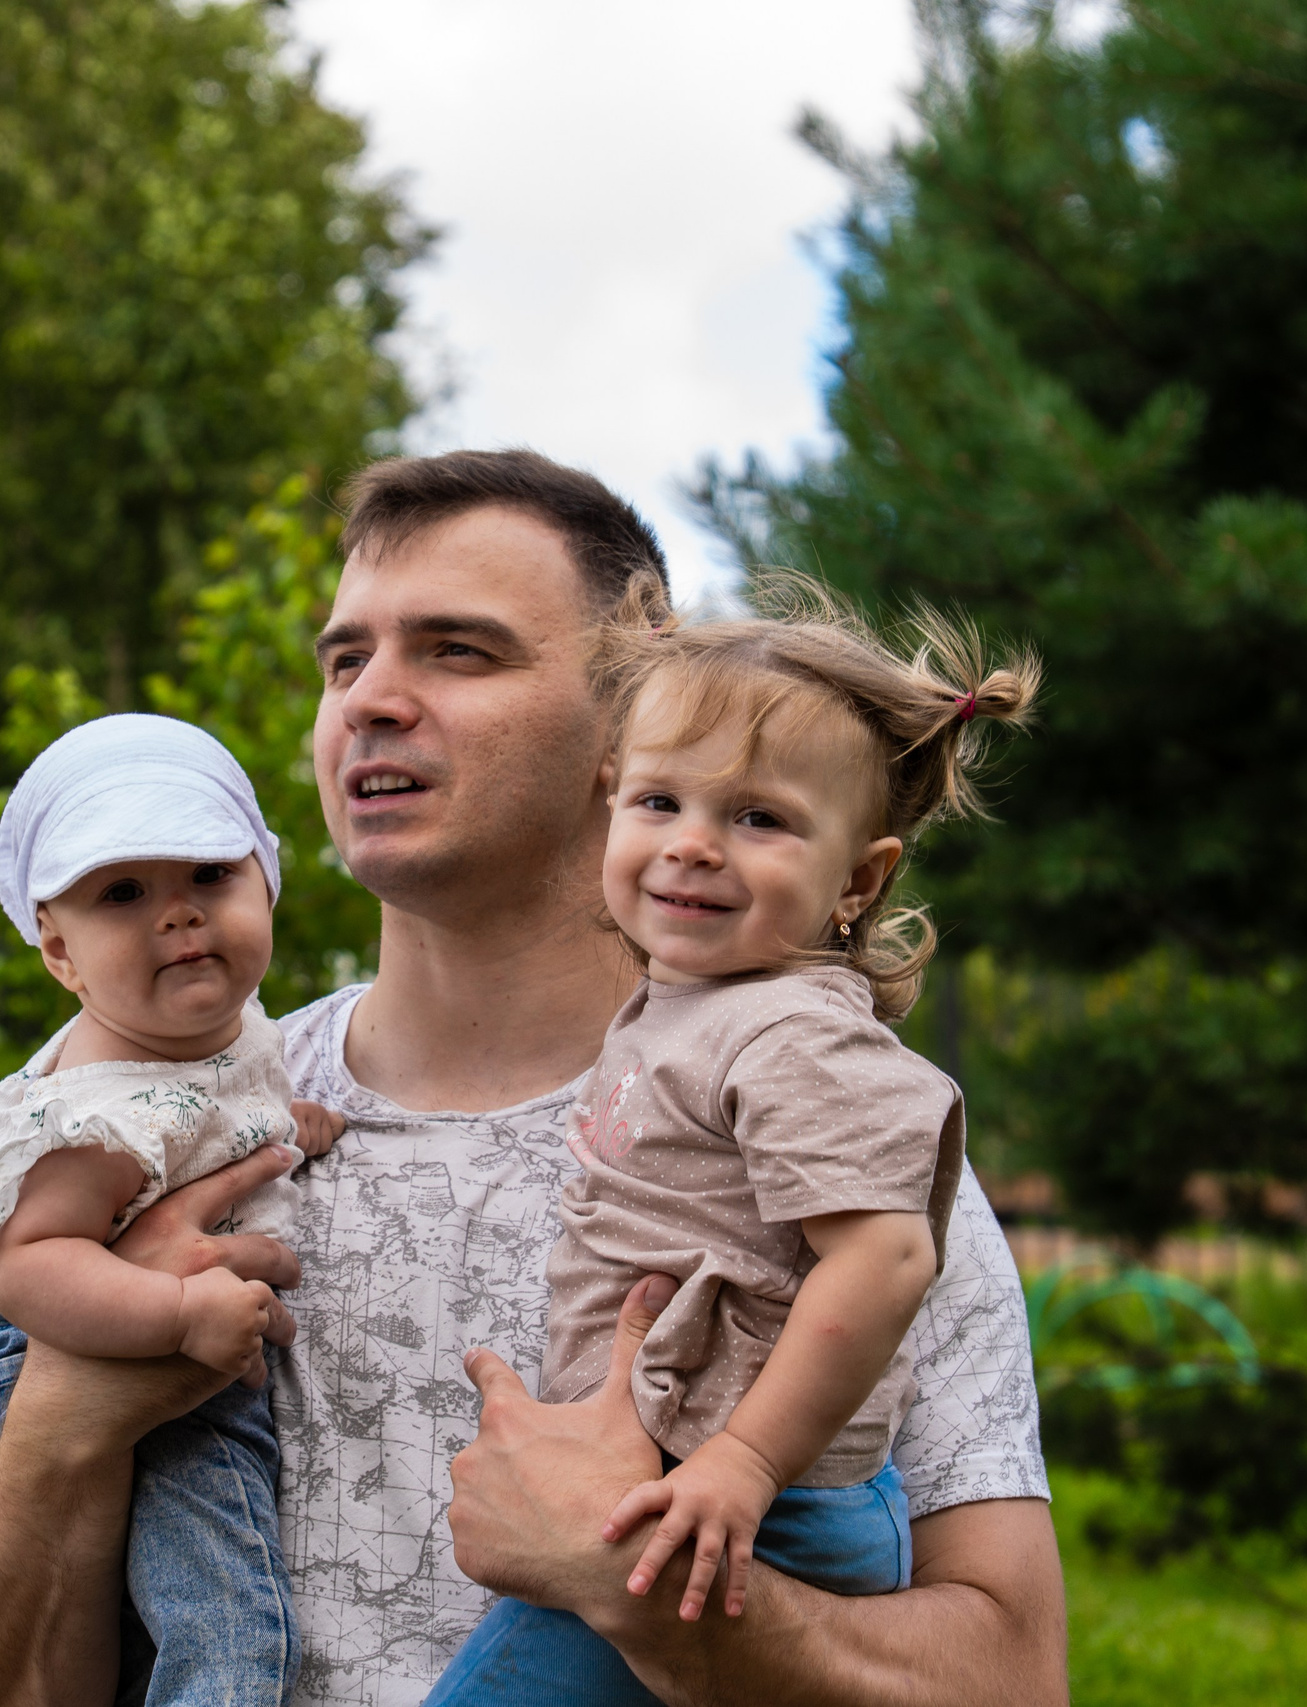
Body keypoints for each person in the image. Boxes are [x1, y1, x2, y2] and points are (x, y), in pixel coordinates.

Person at [0, 450, 1067, 1707]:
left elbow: (1010, 1677)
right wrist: (55, 1432)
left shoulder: (815, 1136)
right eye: (345, 660)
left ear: (631, 720)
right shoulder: (183, 1132)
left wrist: (636, 1589)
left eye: (458, 651)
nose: (371, 701)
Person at [424, 586, 1039, 1703]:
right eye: (659, 800)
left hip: (751, 1508)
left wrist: (744, 1465)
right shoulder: (694, 1006)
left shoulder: (794, 1032)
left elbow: (886, 1258)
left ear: (858, 879)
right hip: (689, 1483)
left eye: (759, 819)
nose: (694, 846)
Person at [0, 713, 346, 1707]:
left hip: (183, 1337)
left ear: (266, 882)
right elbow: (21, 1264)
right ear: (61, 955)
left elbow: (203, 1116)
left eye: (210, 876)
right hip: (90, 1337)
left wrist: (277, 1131)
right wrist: (176, 1319)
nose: (179, 915)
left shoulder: (217, 1035)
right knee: (224, 1621)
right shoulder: (92, 1113)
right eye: (123, 894)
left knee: (187, 1609)